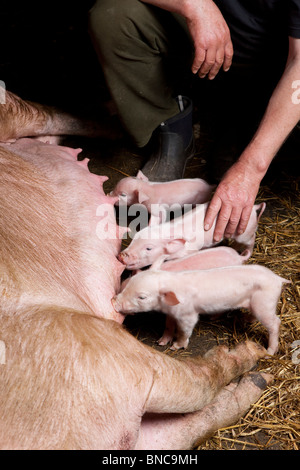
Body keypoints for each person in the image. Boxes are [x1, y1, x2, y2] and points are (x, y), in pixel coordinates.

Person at [88, 0, 300, 242]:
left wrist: (252, 168)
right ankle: (171, 127)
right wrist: (195, 6)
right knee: (114, 15)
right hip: (202, 38)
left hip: (281, 59)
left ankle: (251, 127)